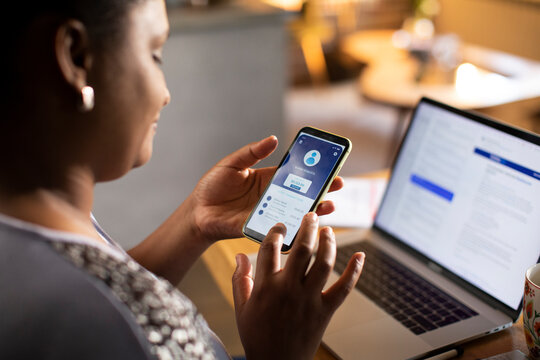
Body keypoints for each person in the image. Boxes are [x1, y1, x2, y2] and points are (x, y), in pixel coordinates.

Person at [0, 0, 365, 359]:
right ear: (75, 57)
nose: (165, 94)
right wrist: (280, 351)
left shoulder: (28, 215)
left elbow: (110, 279)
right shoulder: (118, 323)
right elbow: (116, 307)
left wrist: (196, 221)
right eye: (155, 54)